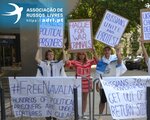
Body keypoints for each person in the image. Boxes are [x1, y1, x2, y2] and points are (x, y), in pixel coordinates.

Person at [95, 45, 127, 118]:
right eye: (105, 50)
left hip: (114, 84)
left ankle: (115, 116)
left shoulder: (114, 58)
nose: (107, 51)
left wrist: (117, 51)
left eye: (108, 50)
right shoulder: (101, 61)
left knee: (115, 101)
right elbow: (98, 73)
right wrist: (97, 84)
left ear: (110, 51)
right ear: (104, 52)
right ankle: (100, 116)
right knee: (102, 101)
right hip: (104, 85)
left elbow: (120, 62)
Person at [35, 48, 66, 120]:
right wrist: (39, 48)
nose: (51, 56)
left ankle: (55, 118)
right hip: (46, 88)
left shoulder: (57, 63)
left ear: (54, 55)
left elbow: (65, 60)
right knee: (47, 105)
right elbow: (36, 58)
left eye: (52, 54)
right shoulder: (43, 64)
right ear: (46, 56)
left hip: (56, 89)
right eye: (49, 55)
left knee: (55, 105)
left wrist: (63, 50)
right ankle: (48, 118)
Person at [66, 49, 98, 117]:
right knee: (77, 98)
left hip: (87, 83)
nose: (81, 56)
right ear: (78, 55)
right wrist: (67, 53)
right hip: (78, 83)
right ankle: (77, 113)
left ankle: (82, 114)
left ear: (85, 55)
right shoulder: (75, 62)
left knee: (84, 99)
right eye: (80, 54)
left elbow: (97, 61)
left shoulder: (89, 62)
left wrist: (94, 51)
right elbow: (67, 63)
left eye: (82, 54)